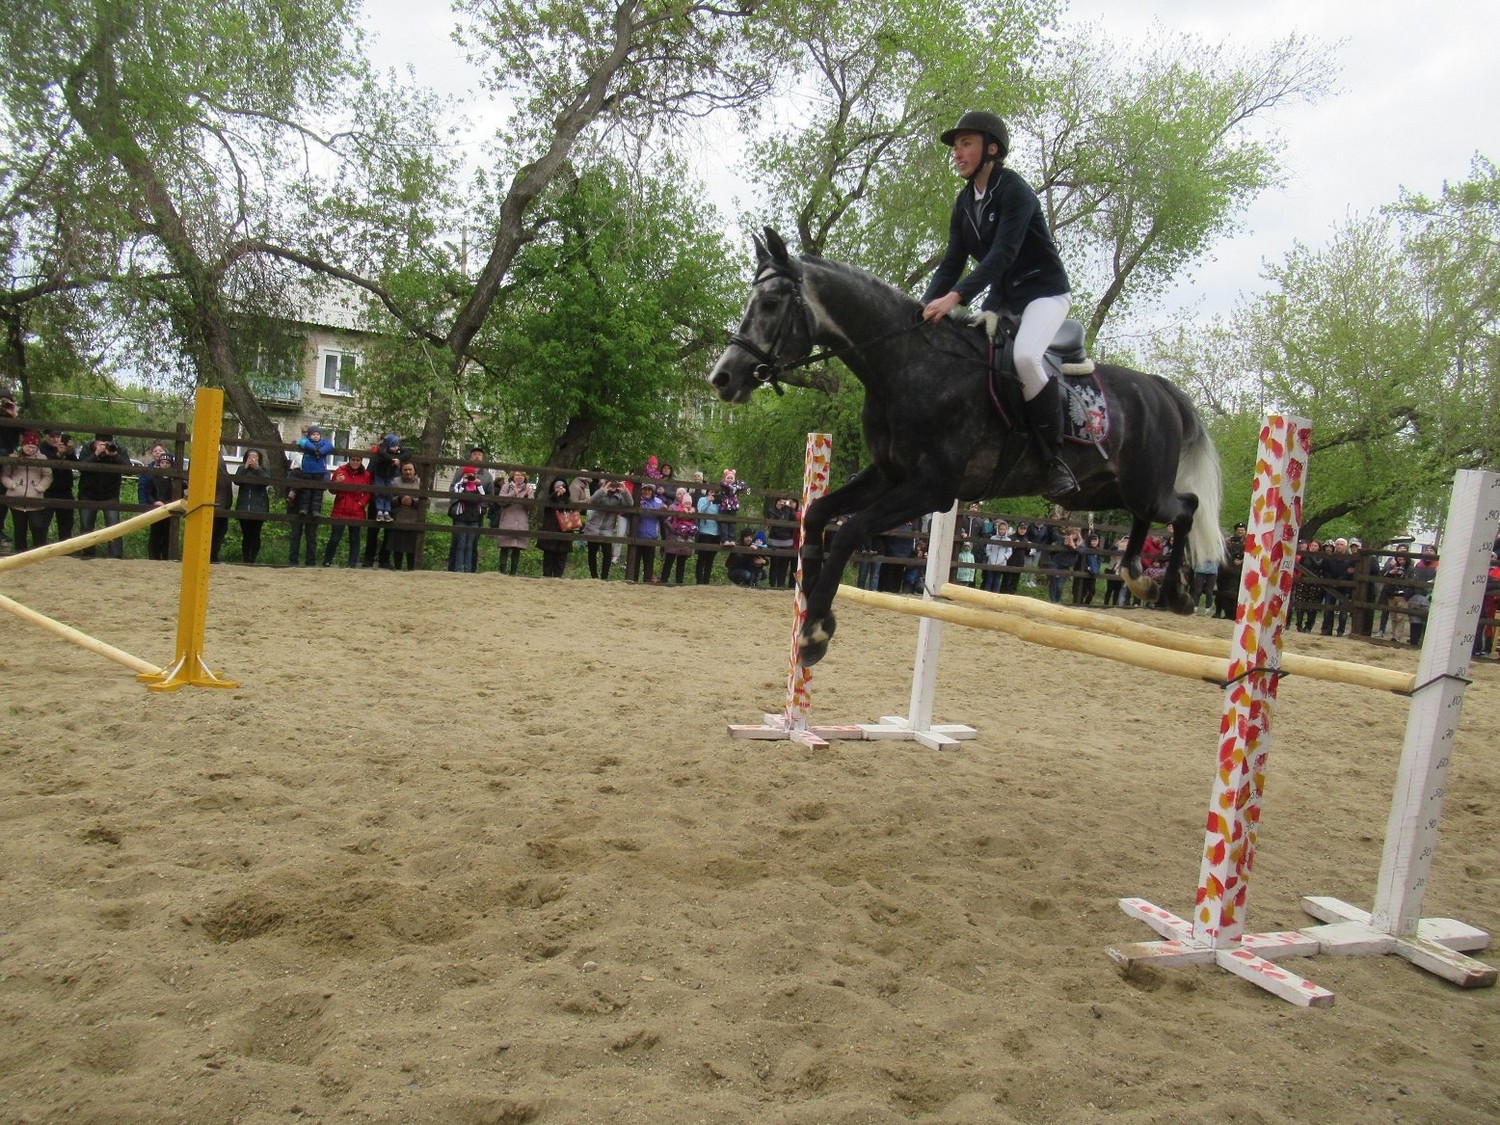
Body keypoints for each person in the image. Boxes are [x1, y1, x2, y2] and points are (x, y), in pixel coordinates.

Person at [921, 109, 1075, 496]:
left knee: (1024, 359)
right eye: (955, 146)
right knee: (969, 357)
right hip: (1004, 299)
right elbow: (951, 263)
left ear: (992, 149)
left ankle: (1055, 460)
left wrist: (956, 298)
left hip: (1043, 294)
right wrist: (922, 306)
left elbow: (1002, 256)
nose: (957, 153)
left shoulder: (1015, 192)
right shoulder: (964, 202)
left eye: (966, 144)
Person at [77, 434, 132, 558]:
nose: (104, 445)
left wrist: (115, 455)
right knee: (86, 526)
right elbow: (81, 467)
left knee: (113, 527)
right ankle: (88, 554)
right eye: (101, 443)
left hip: (110, 494)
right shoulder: (87, 448)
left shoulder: (118, 449)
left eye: (107, 442)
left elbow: (129, 469)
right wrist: (95, 454)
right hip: (88, 493)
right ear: (95, 442)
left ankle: (116, 556)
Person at [287, 423, 333, 566]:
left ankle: (310, 562)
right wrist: (301, 481)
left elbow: (325, 476)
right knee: (295, 534)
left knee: (311, 535)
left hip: (313, 499)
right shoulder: (297, 451)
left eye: (311, 432)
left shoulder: (320, 450)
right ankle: (293, 561)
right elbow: (291, 476)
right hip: (296, 502)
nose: (308, 434)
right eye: (305, 432)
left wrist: (315, 482)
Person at [1, 431, 52, 551]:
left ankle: (39, 552)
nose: (31, 449)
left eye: (34, 447)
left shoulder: (42, 458)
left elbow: (48, 476)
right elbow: (5, 475)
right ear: (23, 445)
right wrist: (12, 485)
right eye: (29, 446)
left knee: (37, 527)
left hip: (35, 499)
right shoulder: (13, 458)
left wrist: (40, 487)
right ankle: (20, 553)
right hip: (16, 499)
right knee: (19, 529)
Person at [323, 451, 373, 567]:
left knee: (354, 539)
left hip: (357, 510)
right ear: (349, 460)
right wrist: (337, 483)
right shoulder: (340, 471)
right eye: (353, 460)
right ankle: (327, 561)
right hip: (340, 509)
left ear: (361, 462)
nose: (355, 462)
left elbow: (369, 492)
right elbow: (332, 490)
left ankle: (352, 564)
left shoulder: (366, 475)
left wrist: (361, 503)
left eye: (358, 460)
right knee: (335, 538)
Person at [447, 446, 492, 572]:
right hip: (461, 512)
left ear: (482, 457)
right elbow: (452, 490)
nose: (477, 456)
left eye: (479, 454)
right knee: (457, 542)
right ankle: (454, 569)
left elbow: (489, 495)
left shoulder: (487, 476)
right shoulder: (460, 471)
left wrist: (482, 508)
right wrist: (457, 505)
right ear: (470, 456)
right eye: (474, 454)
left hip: (477, 514)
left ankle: (470, 569)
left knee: (472, 544)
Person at [583, 477, 631, 580]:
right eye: (611, 483)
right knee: (592, 552)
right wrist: (604, 489)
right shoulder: (600, 493)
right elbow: (592, 501)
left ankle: (604, 577)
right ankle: (594, 576)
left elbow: (630, 504)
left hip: (607, 528)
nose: (613, 486)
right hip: (593, 526)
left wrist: (625, 491)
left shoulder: (619, 496)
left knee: (608, 553)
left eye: (615, 484)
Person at [138, 452, 179, 560]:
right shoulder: (154, 478)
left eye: (167, 463)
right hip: (156, 509)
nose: (164, 465)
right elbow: (149, 493)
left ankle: (166, 556)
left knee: (167, 534)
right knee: (155, 533)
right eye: (162, 462)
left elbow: (179, 494)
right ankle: (153, 557)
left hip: (169, 509)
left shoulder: (175, 480)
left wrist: (168, 503)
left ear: (171, 465)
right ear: (159, 464)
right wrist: (155, 502)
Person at [233, 448, 272, 564]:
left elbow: (266, 481)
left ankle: (252, 559)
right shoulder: (241, 469)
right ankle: (245, 559)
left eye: (255, 457)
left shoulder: (264, 470)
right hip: (244, 506)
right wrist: (245, 467)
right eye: (250, 457)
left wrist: (257, 469)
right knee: (246, 535)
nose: (253, 459)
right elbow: (236, 481)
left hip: (259, 506)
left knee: (255, 534)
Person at [39, 430, 77, 543]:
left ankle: (65, 551)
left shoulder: (64, 448)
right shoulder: (41, 449)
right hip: (47, 491)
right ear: (45, 436)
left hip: (65, 490)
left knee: (66, 524)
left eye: (58, 436)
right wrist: (59, 455)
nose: (55, 439)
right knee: (43, 525)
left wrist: (70, 452)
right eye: (52, 436)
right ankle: (40, 549)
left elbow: (77, 464)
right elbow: (47, 467)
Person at [493, 469, 533, 575]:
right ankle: (502, 572)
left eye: (522, 475)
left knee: (517, 548)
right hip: (508, 519)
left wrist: (525, 497)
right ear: (512, 476)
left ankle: (513, 572)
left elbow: (531, 507)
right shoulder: (506, 486)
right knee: (504, 547)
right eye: (517, 475)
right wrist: (512, 494)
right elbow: (500, 501)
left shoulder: (529, 489)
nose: (519, 477)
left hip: (521, 521)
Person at [387, 460, 424, 570]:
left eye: (410, 469)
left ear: (414, 470)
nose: (408, 472)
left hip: (414, 521)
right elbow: (388, 500)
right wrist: (399, 500)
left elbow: (427, 501)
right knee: (397, 549)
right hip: (398, 519)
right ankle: (397, 570)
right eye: (405, 470)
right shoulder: (395, 482)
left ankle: (411, 571)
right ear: (401, 471)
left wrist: (413, 502)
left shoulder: (421, 483)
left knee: (412, 551)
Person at [537, 477, 575, 578]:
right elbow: (546, 504)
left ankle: (558, 579)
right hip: (550, 533)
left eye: (562, 486)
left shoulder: (569, 500)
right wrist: (555, 496)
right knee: (548, 560)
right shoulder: (549, 499)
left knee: (561, 561)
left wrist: (564, 499)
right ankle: (546, 578)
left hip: (564, 534)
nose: (560, 488)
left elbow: (573, 511)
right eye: (558, 487)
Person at [660, 486, 697, 585]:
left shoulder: (691, 508)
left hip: (685, 537)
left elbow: (695, 522)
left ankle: (679, 582)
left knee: (682, 562)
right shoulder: (673, 506)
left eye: (683, 493)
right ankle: (663, 580)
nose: (681, 495)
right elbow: (667, 521)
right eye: (679, 493)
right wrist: (674, 530)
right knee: (669, 559)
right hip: (674, 536)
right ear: (676, 496)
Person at [630, 480, 665, 582]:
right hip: (637, 536)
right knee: (635, 562)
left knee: (649, 562)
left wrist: (664, 511)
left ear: (652, 491)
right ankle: (633, 581)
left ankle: (647, 582)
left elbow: (663, 518)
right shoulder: (636, 500)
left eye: (649, 489)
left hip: (651, 536)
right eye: (644, 489)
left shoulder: (658, 502)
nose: (647, 491)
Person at [764, 493, 799, 589]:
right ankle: (772, 584)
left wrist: (791, 508)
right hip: (775, 541)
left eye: (784, 501)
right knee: (774, 564)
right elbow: (772, 522)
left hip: (787, 541)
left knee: (784, 565)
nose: (782, 502)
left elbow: (794, 520)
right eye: (780, 500)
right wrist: (778, 510)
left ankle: (781, 585)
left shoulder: (789, 511)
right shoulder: (772, 510)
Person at [1407, 545, 1439, 648]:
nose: (1429, 552)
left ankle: (1426, 642)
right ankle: (1414, 641)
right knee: (1415, 619)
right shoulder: (1419, 565)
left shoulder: (1439, 565)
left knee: (1430, 620)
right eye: (1427, 550)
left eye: (1431, 550)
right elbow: (1414, 578)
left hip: (1432, 594)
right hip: (1418, 593)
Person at [693, 485, 721, 585]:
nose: (713, 493)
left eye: (715, 492)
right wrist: (708, 501)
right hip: (705, 532)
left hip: (716, 534)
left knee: (710, 559)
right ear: (708, 491)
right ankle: (699, 581)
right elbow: (701, 512)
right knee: (702, 558)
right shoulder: (702, 499)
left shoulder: (719, 502)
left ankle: (706, 582)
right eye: (711, 491)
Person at [982, 519, 1012, 594]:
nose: (1002, 530)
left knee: (997, 582)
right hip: (991, 563)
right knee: (989, 581)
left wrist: (1004, 558)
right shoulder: (993, 538)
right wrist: (990, 556)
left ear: (1006, 530)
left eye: (1003, 529)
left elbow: (1009, 551)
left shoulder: (1008, 540)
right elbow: (988, 548)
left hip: (1001, 564)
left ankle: (995, 598)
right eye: (1000, 529)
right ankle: (986, 597)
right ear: (998, 529)